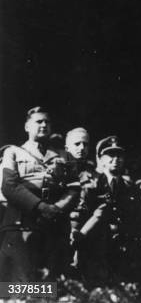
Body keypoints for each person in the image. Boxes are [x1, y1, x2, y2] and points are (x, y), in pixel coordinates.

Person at [0, 107, 80, 281]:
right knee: (21, 285)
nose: (44, 124)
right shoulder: (12, 152)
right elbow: (9, 186)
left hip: (54, 227)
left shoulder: (65, 156)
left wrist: (56, 208)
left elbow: (74, 188)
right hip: (22, 226)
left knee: (52, 286)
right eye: (39, 121)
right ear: (27, 127)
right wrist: (41, 207)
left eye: (47, 122)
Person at [75, 136, 141, 283]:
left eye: (119, 155)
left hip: (124, 246)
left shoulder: (131, 187)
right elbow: (81, 214)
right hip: (96, 246)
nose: (115, 159)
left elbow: (139, 219)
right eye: (110, 155)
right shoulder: (91, 185)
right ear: (101, 159)